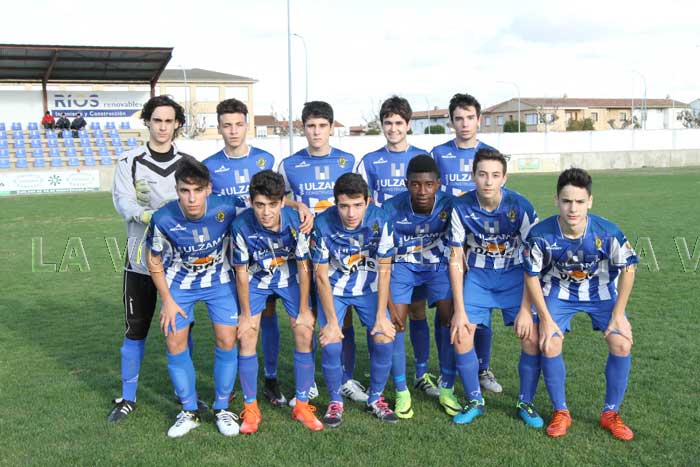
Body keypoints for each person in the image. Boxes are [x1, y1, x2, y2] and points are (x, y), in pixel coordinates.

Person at [203, 98, 313, 407]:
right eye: (227, 125)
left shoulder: (266, 158)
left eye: (238, 124)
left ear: (247, 125)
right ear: (219, 128)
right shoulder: (210, 166)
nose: (233, 131)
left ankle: (271, 377)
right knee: (243, 322)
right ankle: (236, 384)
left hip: (274, 248)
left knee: (273, 314)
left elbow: (275, 196)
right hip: (235, 249)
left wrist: (298, 205)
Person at [523, 167, 638, 440]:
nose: (572, 208)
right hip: (558, 293)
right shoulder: (540, 234)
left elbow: (629, 269)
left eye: (579, 201)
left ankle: (610, 413)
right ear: (556, 201)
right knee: (549, 343)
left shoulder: (608, 232)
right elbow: (531, 275)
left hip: (600, 294)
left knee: (622, 343)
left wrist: (618, 314)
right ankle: (560, 411)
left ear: (590, 202)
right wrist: (545, 319)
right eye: (566, 201)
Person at [108, 95, 193, 424]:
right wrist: (144, 212)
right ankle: (127, 397)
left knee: (181, 330)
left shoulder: (188, 163)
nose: (162, 127)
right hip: (140, 261)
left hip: (179, 263)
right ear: (147, 122)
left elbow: (196, 203)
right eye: (157, 120)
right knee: (136, 329)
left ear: (177, 124)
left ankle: (184, 393)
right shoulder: (129, 161)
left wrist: (171, 213)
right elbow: (122, 201)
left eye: (169, 121)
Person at [145, 157, 240, 437]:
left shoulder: (228, 207)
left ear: (208, 189)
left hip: (219, 282)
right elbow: (153, 259)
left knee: (227, 339)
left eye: (198, 190)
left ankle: (222, 408)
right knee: (174, 341)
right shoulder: (163, 218)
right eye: (185, 191)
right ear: (177, 190)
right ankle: (189, 411)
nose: (191, 198)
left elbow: (265, 206)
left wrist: (298, 208)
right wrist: (167, 300)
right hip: (179, 286)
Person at [278, 101, 364, 406]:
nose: (316, 132)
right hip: (303, 251)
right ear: (303, 128)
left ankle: (346, 378)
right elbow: (275, 198)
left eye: (322, 126)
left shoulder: (347, 160)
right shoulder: (289, 164)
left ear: (331, 127)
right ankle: (310, 382)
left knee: (343, 317)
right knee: (309, 317)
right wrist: (296, 204)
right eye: (311, 126)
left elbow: (360, 199)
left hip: (341, 252)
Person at [448, 148, 542, 427]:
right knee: (461, 334)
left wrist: (525, 308)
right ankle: (475, 400)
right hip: (478, 278)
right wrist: (459, 310)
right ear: (473, 176)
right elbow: (455, 258)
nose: (488, 181)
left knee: (532, 338)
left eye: (495, 175)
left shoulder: (521, 207)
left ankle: (525, 402)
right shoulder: (460, 207)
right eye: (482, 174)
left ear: (504, 178)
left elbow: (533, 260)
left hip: (514, 278)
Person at [356, 96, 440, 400]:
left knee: (418, 312)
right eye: (388, 123)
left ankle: (421, 373)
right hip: (385, 250)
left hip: (421, 250)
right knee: (389, 313)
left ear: (408, 125)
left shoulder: (423, 157)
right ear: (382, 125)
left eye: (398, 123)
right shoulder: (369, 161)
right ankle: (386, 373)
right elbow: (363, 202)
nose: (393, 128)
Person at [231, 170, 322, 433]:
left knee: (304, 330)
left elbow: (303, 266)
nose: (266, 212)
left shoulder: (295, 221)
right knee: (247, 334)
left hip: (290, 277)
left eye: (272, 204)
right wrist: (245, 314)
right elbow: (240, 271)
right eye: (259, 205)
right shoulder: (240, 225)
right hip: (256, 279)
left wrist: (304, 310)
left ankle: (302, 405)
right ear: (251, 202)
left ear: (282, 202)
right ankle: (251, 409)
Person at [312, 173, 398, 427]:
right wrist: (331, 323)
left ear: (368, 201)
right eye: (344, 206)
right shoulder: (322, 223)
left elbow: (385, 269)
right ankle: (335, 401)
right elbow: (320, 275)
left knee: (384, 337)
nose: (351, 213)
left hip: (369, 287)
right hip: (334, 288)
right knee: (331, 342)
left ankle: (376, 398)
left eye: (358, 205)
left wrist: (381, 316)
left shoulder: (381, 220)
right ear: (335, 203)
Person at [431, 93, 502, 395]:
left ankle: (482, 368)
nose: (464, 124)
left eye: (470, 117)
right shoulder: (439, 153)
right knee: (445, 306)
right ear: (451, 121)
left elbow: (497, 200)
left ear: (479, 120)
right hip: (444, 242)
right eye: (458, 118)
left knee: (480, 308)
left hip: (479, 245)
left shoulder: (489, 153)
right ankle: (445, 370)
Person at [382, 155, 454, 419]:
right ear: (406, 184)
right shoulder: (391, 208)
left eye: (428, 184)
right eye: (415, 184)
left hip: (437, 267)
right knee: (396, 323)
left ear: (438, 184)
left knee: (449, 319)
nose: (422, 191)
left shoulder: (450, 205)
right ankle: (402, 390)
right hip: (403, 266)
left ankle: (445, 385)